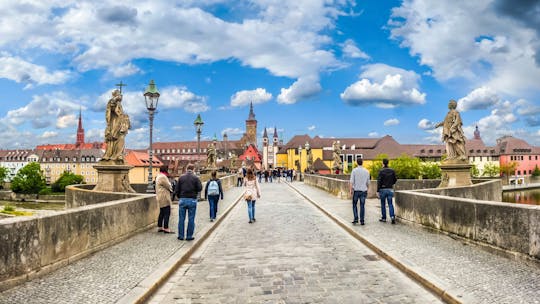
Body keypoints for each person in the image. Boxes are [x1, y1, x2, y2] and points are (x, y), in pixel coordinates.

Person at [175, 163, 202, 241]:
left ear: (186, 169)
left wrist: (180, 197)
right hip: (192, 200)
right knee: (191, 219)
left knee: (181, 219)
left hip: (183, 199)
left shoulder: (181, 178)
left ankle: (181, 236)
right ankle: (189, 236)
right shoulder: (196, 178)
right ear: (193, 169)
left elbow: (176, 190)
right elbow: (200, 188)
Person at [102, 89, 130, 163]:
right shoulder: (112, 102)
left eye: (121, 95)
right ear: (115, 95)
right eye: (119, 95)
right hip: (114, 123)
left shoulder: (120, 105)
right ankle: (113, 155)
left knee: (121, 138)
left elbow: (120, 113)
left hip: (119, 124)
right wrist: (115, 99)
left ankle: (118, 155)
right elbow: (111, 107)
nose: (121, 97)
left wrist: (125, 118)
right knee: (113, 139)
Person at [349, 158, 370, 225]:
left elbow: (351, 182)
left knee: (354, 205)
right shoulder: (367, 171)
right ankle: (362, 220)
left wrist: (350, 190)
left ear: (357, 163)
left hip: (356, 191)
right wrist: (368, 190)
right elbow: (368, 183)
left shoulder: (354, 171)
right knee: (362, 205)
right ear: (362, 162)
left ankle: (355, 218)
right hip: (364, 191)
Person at [377, 159, 397, 224]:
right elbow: (395, 179)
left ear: (383, 163)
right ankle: (392, 217)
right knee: (390, 204)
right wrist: (391, 184)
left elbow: (379, 181)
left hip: (382, 189)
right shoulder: (392, 170)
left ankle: (384, 218)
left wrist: (378, 190)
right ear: (388, 163)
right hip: (390, 189)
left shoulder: (381, 171)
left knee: (383, 204)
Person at [156, 167, 174, 233]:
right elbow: (168, 186)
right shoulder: (163, 177)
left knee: (162, 212)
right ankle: (166, 228)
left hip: (160, 196)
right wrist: (171, 186)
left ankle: (160, 227)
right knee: (167, 212)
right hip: (164, 197)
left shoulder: (158, 176)